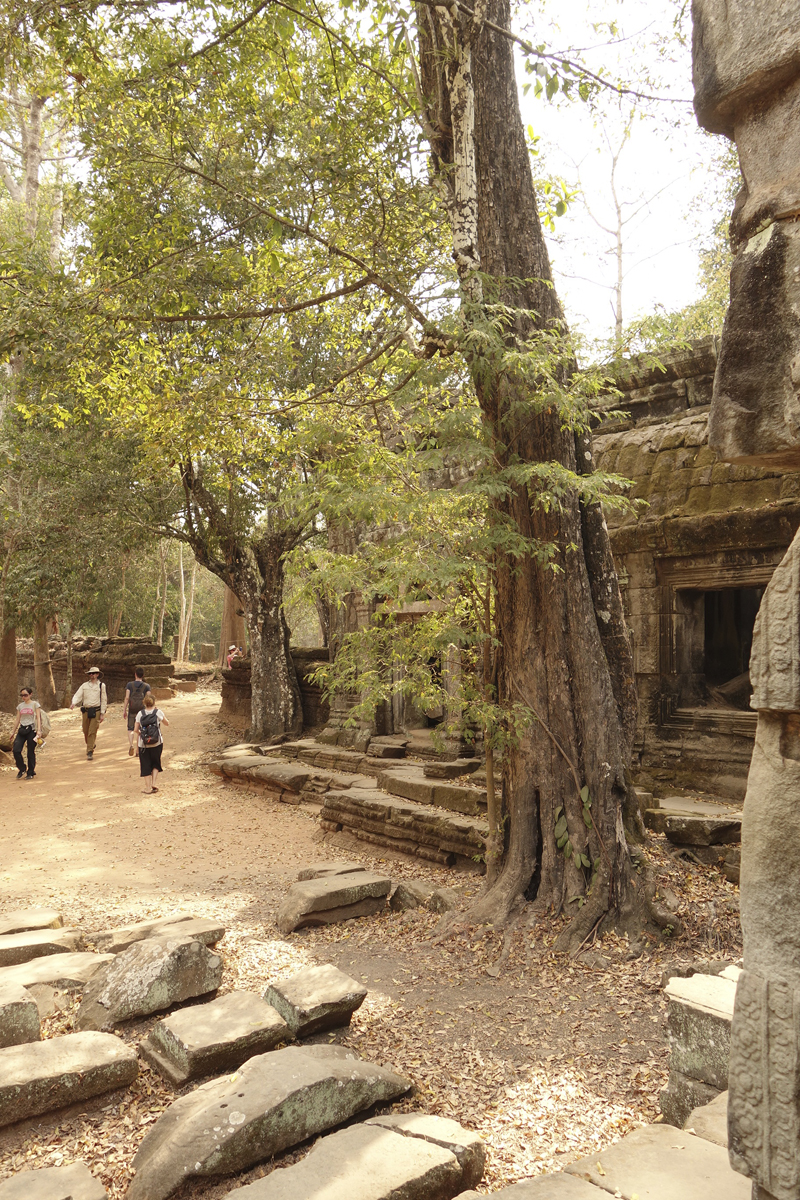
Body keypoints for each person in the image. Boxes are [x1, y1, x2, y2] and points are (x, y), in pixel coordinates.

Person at [134, 692, 169, 794]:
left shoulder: (140, 714)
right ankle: (154, 783)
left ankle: (148, 787)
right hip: (157, 742)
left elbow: (136, 729)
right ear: (154, 702)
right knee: (155, 763)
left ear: (144, 703)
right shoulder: (158, 712)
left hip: (143, 744)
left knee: (145, 764)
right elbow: (167, 723)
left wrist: (142, 733)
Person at [71, 666, 107, 760]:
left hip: (96, 711)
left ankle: (89, 751)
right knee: (85, 730)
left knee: (92, 731)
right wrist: (74, 703)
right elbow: (78, 695)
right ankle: (91, 744)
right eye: (90, 673)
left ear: (97, 674)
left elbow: (104, 699)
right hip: (86, 711)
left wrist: (102, 713)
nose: (92, 675)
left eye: (94, 673)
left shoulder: (101, 686)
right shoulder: (84, 685)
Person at [10, 686, 42, 780]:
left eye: (25, 695)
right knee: (16, 750)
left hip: (32, 729)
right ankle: (22, 768)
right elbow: (17, 719)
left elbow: (38, 718)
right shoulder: (20, 706)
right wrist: (13, 731)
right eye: (22, 695)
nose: (24, 697)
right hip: (22, 729)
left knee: (30, 752)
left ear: (30, 694)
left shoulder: (35, 704)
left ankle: (31, 772)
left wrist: (39, 731)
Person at [123, 667, 151, 756]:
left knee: (130, 728)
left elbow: (127, 698)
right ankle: (138, 750)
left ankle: (131, 745)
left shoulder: (129, 685)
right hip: (141, 710)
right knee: (139, 729)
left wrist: (124, 710)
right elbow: (149, 699)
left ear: (135, 674)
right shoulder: (146, 686)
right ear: (143, 675)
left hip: (132, 709)